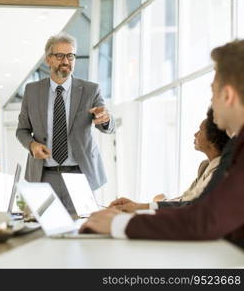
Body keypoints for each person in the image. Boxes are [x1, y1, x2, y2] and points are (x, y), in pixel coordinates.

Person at [80, 40, 244, 244]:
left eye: (213, 94)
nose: (211, 104)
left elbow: (205, 220)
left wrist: (118, 224)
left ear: (227, 95)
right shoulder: (236, 145)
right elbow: (202, 210)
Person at [16, 32, 115, 214]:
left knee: (82, 229)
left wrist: (106, 119)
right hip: (44, 175)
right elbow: (22, 130)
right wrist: (32, 145)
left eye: (70, 56)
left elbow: (104, 123)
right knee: (45, 230)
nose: (66, 61)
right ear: (48, 59)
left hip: (80, 174)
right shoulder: (32, 91)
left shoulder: (90, 90)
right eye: (60, 55)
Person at [110, 107, 229, 212]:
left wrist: (143, 206)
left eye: (200, 130)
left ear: (212, 139)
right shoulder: (204, 166)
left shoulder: (221, 172)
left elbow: (191, 205)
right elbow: (186, 198)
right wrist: (141, 205)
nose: (195, 134)